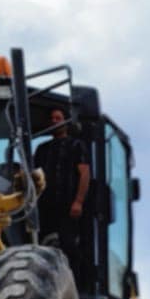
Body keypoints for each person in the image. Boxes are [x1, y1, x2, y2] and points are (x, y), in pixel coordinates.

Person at [31, 107, 92, 286]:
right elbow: (34, 175)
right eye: (52, 118)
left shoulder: (76, 145)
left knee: (69, 245)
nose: (55, 121)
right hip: (45, 204)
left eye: (58, 118)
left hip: (67, 204)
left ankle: (75, 286)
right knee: (42, 245)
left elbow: (84, 173)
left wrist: (78, 201)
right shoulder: (42, 149)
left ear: (66, 121)